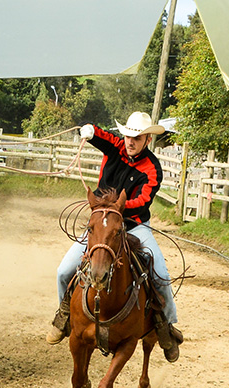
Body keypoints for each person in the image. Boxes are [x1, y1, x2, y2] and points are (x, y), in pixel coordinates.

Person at [45, 111, 183, 362]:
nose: (131, 141)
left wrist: (115, 207)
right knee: (64, 271)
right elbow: (101, 135)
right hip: (103, 224)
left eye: (137, 137)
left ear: (147, 140)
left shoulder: (153, 168)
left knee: (161, 274)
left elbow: (143, 201)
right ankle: (64, 314)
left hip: (134, 224)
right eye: (129, 135)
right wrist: (90, 130)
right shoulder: (117, 146)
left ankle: (166, 327)